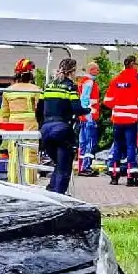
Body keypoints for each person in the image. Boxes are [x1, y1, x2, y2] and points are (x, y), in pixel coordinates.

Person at [36, 58, 90, 195]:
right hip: (62, 130)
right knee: (64, 167)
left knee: (58, 165)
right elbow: (76, 109)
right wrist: (88, 110)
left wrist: (41, 125)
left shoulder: (48, 86)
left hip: (46, 130)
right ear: (72, 71)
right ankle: (58, 197)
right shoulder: (70, 87)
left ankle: (51, 191)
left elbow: (39, 109)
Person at [104, 56, 138, 187]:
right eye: (137, 64)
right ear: (133, 65)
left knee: (117, 145)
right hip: (131, 119)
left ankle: (114, 176)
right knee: (131, 146)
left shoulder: (116, 80)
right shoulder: (135, 81)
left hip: (117, 118)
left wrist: (118, 106)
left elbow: (107, 100)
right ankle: (131, 176)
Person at [0, 58, 41, 184]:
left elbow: (5, 114)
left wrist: (5, 130)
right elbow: (39, 110)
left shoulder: (8, 91)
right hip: (30, 126)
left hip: (13, 126)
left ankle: (13, 183)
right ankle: (30, 186)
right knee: (30, 156)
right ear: (30, 74)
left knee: (14, 157)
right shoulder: (36, 90)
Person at [76, 62, 102, 176]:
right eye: (97, 69)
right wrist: (89, 115)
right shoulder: (89, 82)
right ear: (91, 70)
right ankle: (86, 167)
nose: (98, 71)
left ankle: (81, 166)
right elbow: (85, 100)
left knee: (83, 142)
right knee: (90, 142)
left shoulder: (83, 81)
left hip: (83, 116)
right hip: (89, 116)